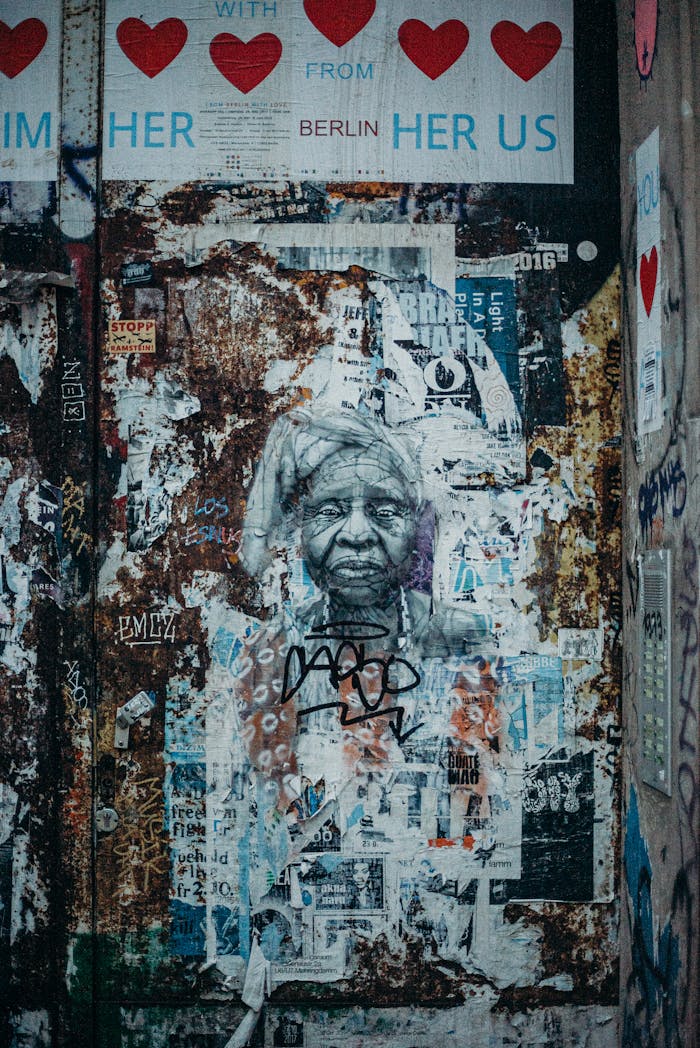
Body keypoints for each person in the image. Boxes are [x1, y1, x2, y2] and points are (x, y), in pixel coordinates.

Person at [240, 406, 489, 656]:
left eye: (384, 512)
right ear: (300, 526)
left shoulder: (461, 636)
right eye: (329, 511)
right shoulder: (276, 649)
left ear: (414, 524)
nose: (357, 535)